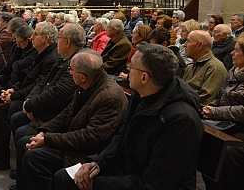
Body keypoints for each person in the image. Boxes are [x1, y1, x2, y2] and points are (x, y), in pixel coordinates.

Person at [50, 43, 204, 190]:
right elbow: (122, 139)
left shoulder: (181, 119)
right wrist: (98, 162)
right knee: (63, 177)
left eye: (131, 66)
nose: (127, 69)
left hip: (147, 182)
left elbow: (154, 183)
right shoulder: (142, 95)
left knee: (66, 182)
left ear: (144, 77)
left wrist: (97, 185)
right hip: (129, 170)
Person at [10, 49, 128, 190]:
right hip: (73, 138)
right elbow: (67, 113)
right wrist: (44, 131)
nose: (69, 72)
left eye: (71, 70)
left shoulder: (109, 97)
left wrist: (48, 139)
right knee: (25, 141)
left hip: (87, 152)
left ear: (83, 76)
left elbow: (90, 138)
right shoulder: (87, 84)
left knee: (34, 158)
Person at [0, 24, 86, 171]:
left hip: (53, 111)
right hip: (36, 100)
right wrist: (27, 100)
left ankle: (8, 161)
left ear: (66, 42)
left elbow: (57, 94)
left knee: (8, 112)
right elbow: (41, 82)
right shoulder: (61, 59)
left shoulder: (72, 61)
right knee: (1, 103)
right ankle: (4, 157)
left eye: (35, 34)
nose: (31, 37)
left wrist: (29, 103)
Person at [201, 33, 244, 190]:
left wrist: (215, 112)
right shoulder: (234, 70)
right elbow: (220, 96)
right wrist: (209, 107)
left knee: (228, 150)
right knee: (201, 135)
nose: (232, 53)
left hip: (240, 127)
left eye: (237, 51)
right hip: (227, 122)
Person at [183, 30, 227, 105]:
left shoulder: (215, 67)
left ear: (199, 45)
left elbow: (205, 101)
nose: (184, 44)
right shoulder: (190, 66)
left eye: (188, 41)